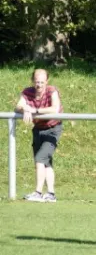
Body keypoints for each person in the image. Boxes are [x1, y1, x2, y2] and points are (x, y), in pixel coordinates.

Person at [14, 69, 63, 203]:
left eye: (42, 82)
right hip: (38, 129)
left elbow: (55, 109)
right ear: (32, 81)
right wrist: (25, 109)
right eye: (37, 82)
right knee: (46, 162)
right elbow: (18, 106)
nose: (39, 85)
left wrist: (34, 110)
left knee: (40, 158)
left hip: (53, 129)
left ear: (47, 81)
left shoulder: (52, 91)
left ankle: (38, 192)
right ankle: (51, 194)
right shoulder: (28, 92)